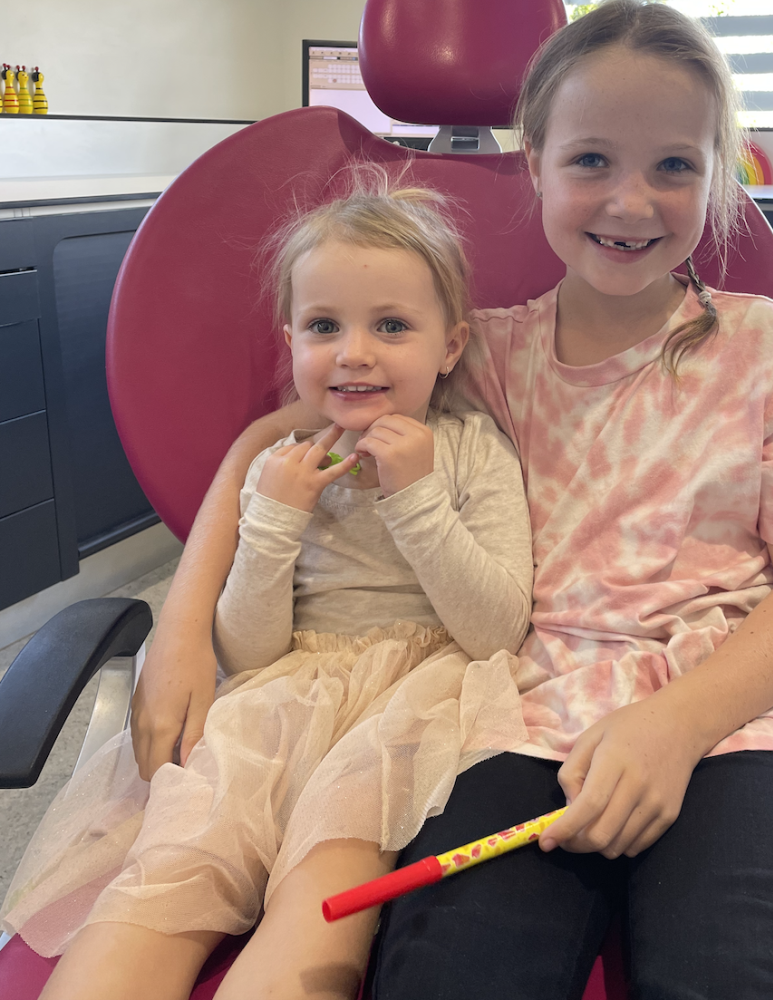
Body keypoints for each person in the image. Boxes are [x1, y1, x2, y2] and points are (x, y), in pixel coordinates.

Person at [126, 0, 773, 999]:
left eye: (672, 166)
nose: (629, 201)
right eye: (589, 161)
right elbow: (273, 440)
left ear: (716, 175)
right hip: (507, 721)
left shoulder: (764, 347)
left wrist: (674, 726)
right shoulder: (479, 351)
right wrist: (182, 625)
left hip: (722, 725)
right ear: (534, 167)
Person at [2, 186, 534, 1000]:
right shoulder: (273, 467)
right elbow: (250, 651)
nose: (353, 352)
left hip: (414, 699)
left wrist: (418, 499)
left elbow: (495, 629)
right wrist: (276, 519)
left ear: (451, 345)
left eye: (391, 325)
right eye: (325, 326)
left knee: (325, 876)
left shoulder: (469, 453)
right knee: (172, 864)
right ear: (290, 341)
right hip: (282, 693)